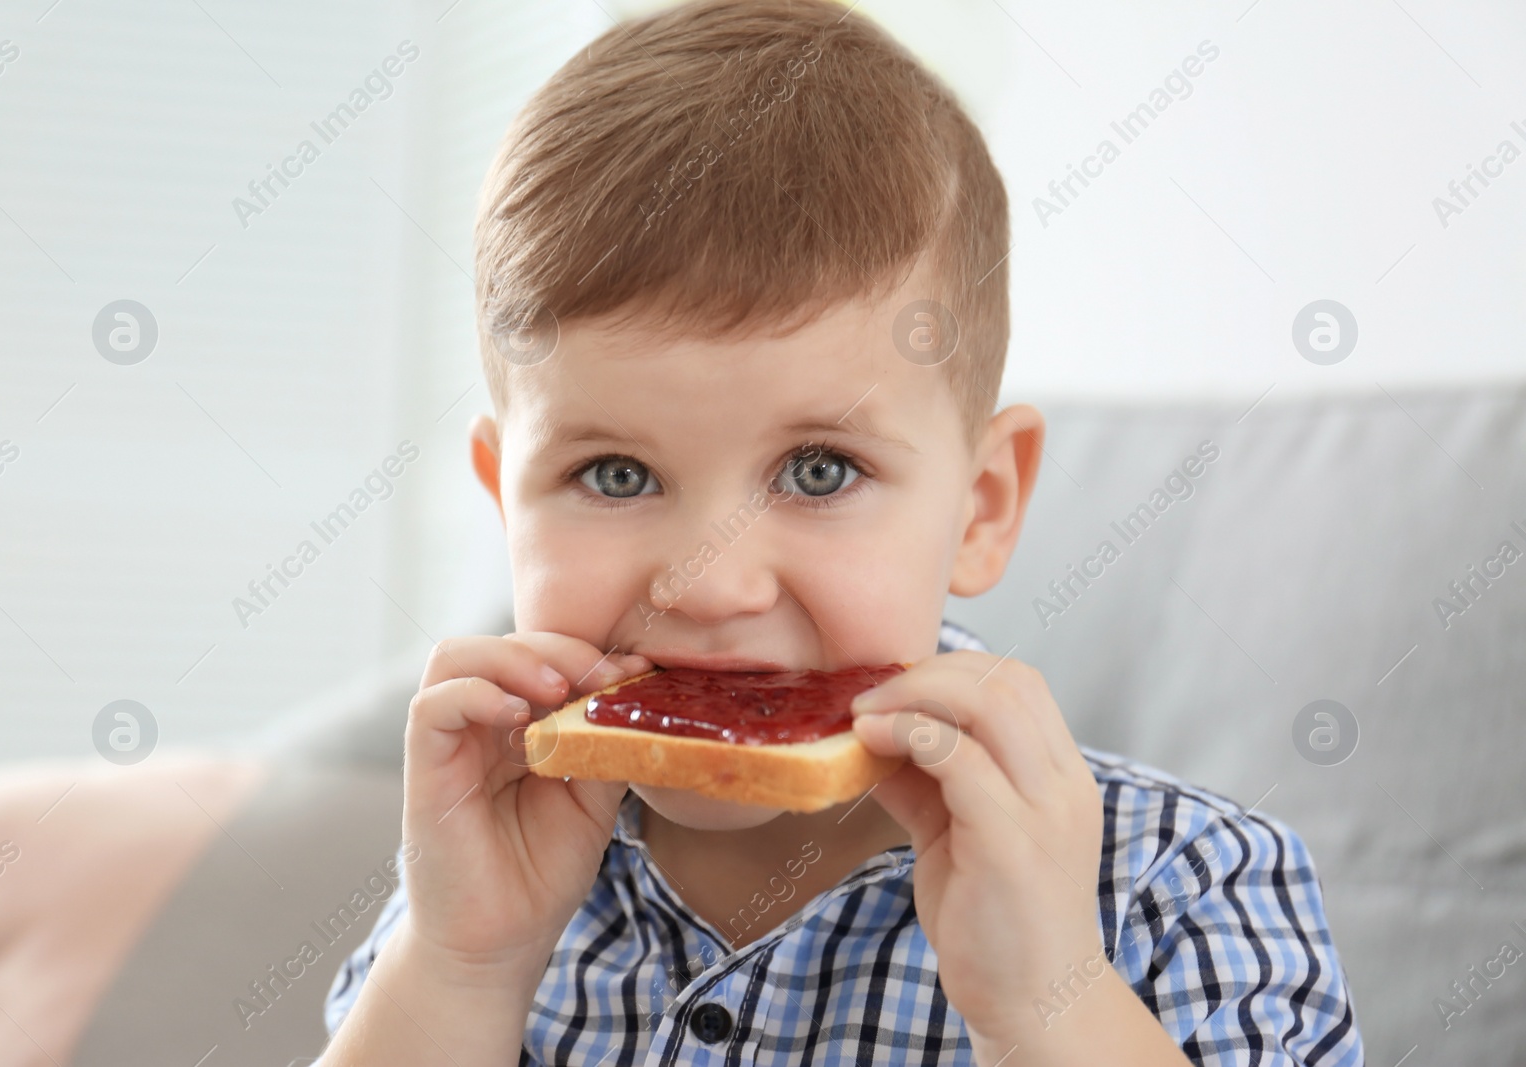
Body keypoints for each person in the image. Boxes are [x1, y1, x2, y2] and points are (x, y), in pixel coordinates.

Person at [312, 1, 1362, 1063]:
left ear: (982, 504)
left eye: (819, 470)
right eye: (614, 473)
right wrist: (464, 964)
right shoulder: (468, 885)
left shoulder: (1185, 881)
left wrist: (1049, 994)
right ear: (507, 506)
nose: (709, 583)